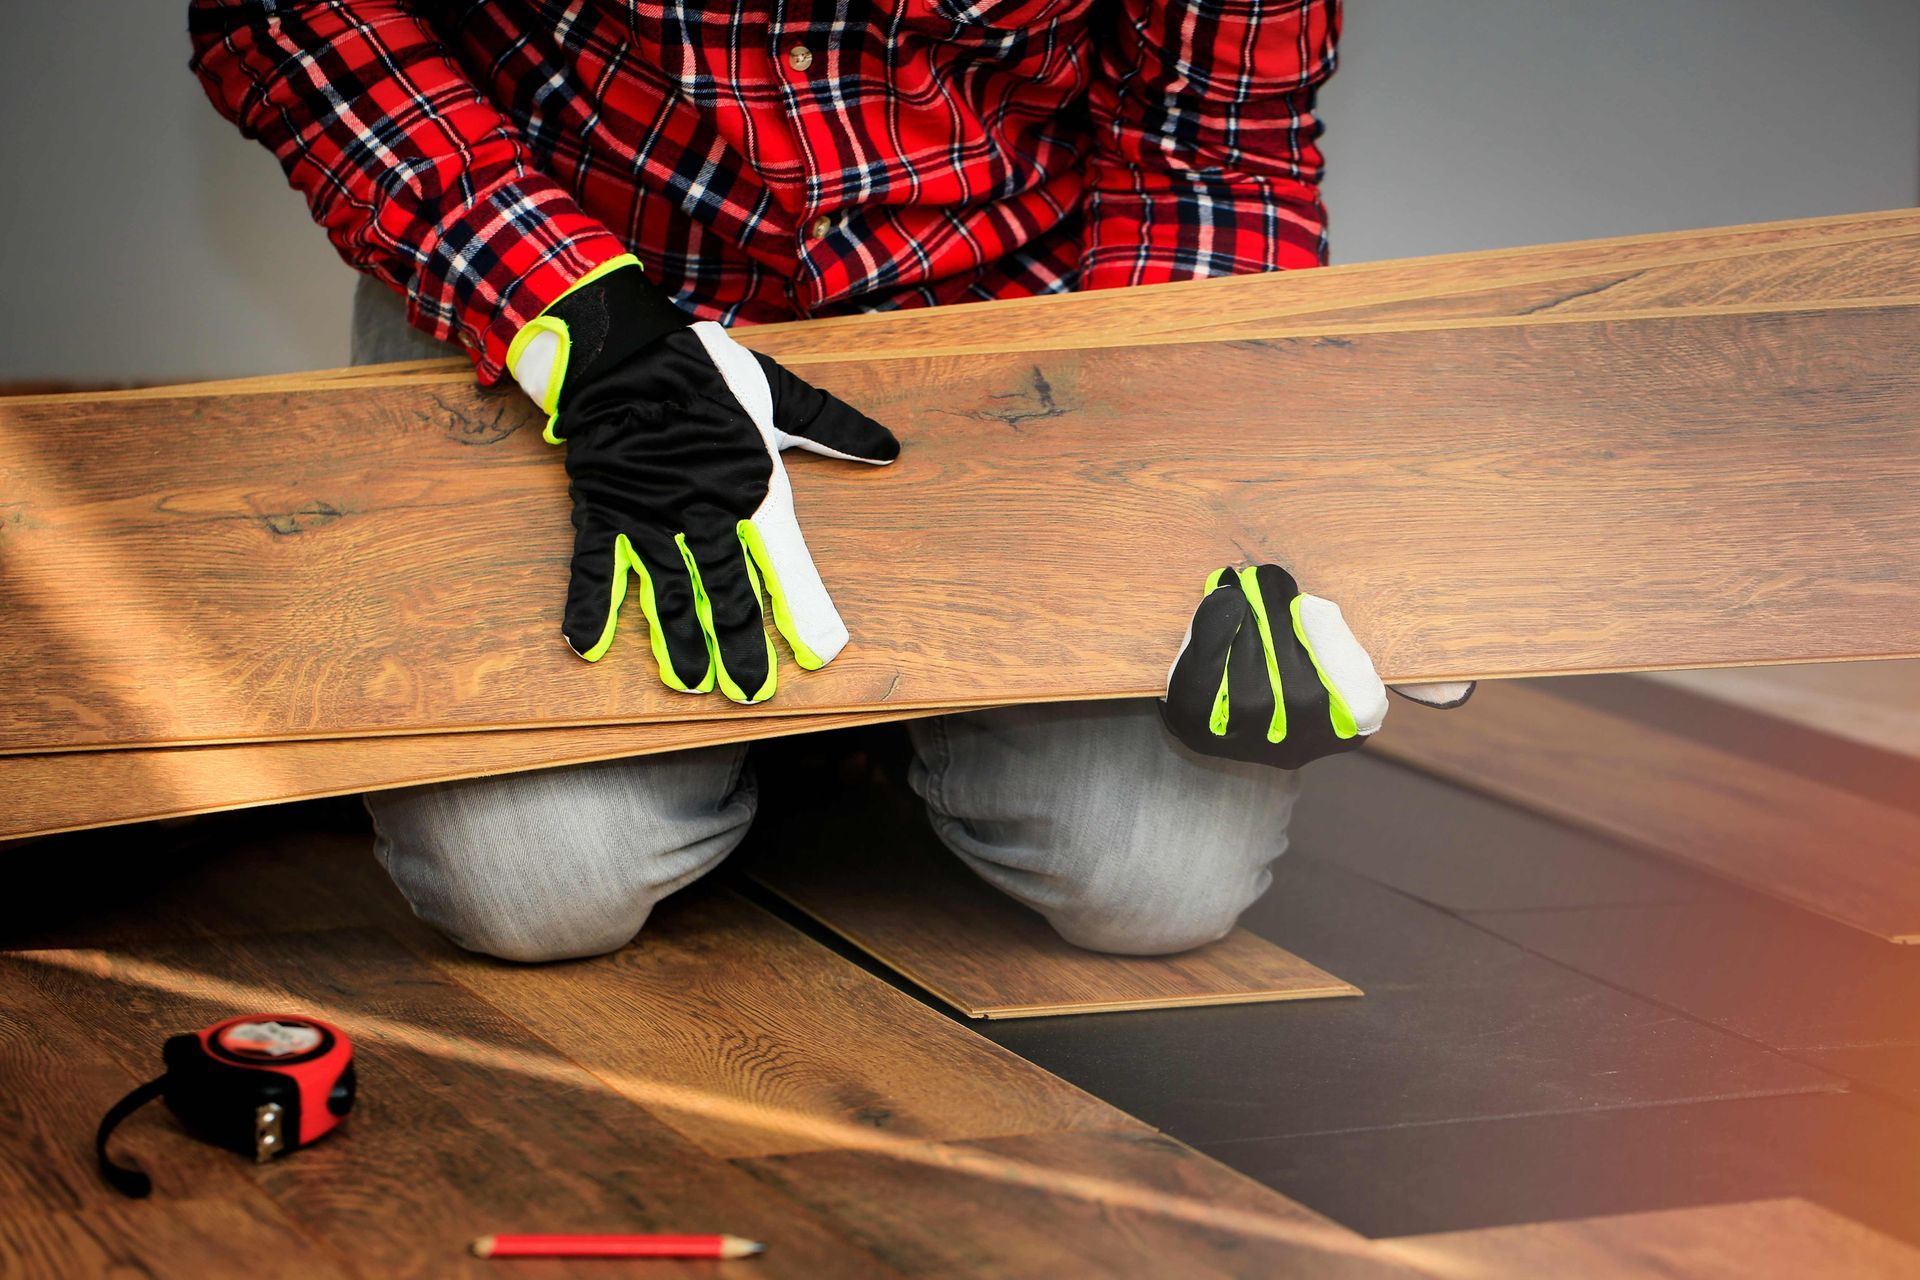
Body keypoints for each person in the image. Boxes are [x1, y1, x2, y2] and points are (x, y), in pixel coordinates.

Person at [191, 0, 1461, 964]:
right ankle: (802, 725)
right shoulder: (578, 309)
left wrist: (1194, 476)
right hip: (575, 274)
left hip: (1003, 314)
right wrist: (584, 332)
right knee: (530, 886)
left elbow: (1214, 157)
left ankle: (838, 714)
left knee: (1148, 884)